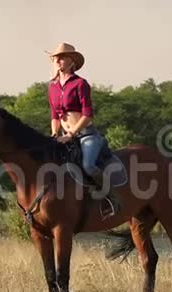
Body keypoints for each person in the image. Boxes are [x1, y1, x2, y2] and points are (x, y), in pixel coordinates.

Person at [46, 42, 121, 215]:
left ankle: (112, 198)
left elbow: (87, 115)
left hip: (86, 135)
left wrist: (71, 133)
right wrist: (54, 133)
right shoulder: (52, 87)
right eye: (56, 58)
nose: (58, 61)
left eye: (62, 57)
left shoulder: (80, 84)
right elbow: (54, 115)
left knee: (88, 166)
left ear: (72, 61)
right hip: (64, 135)